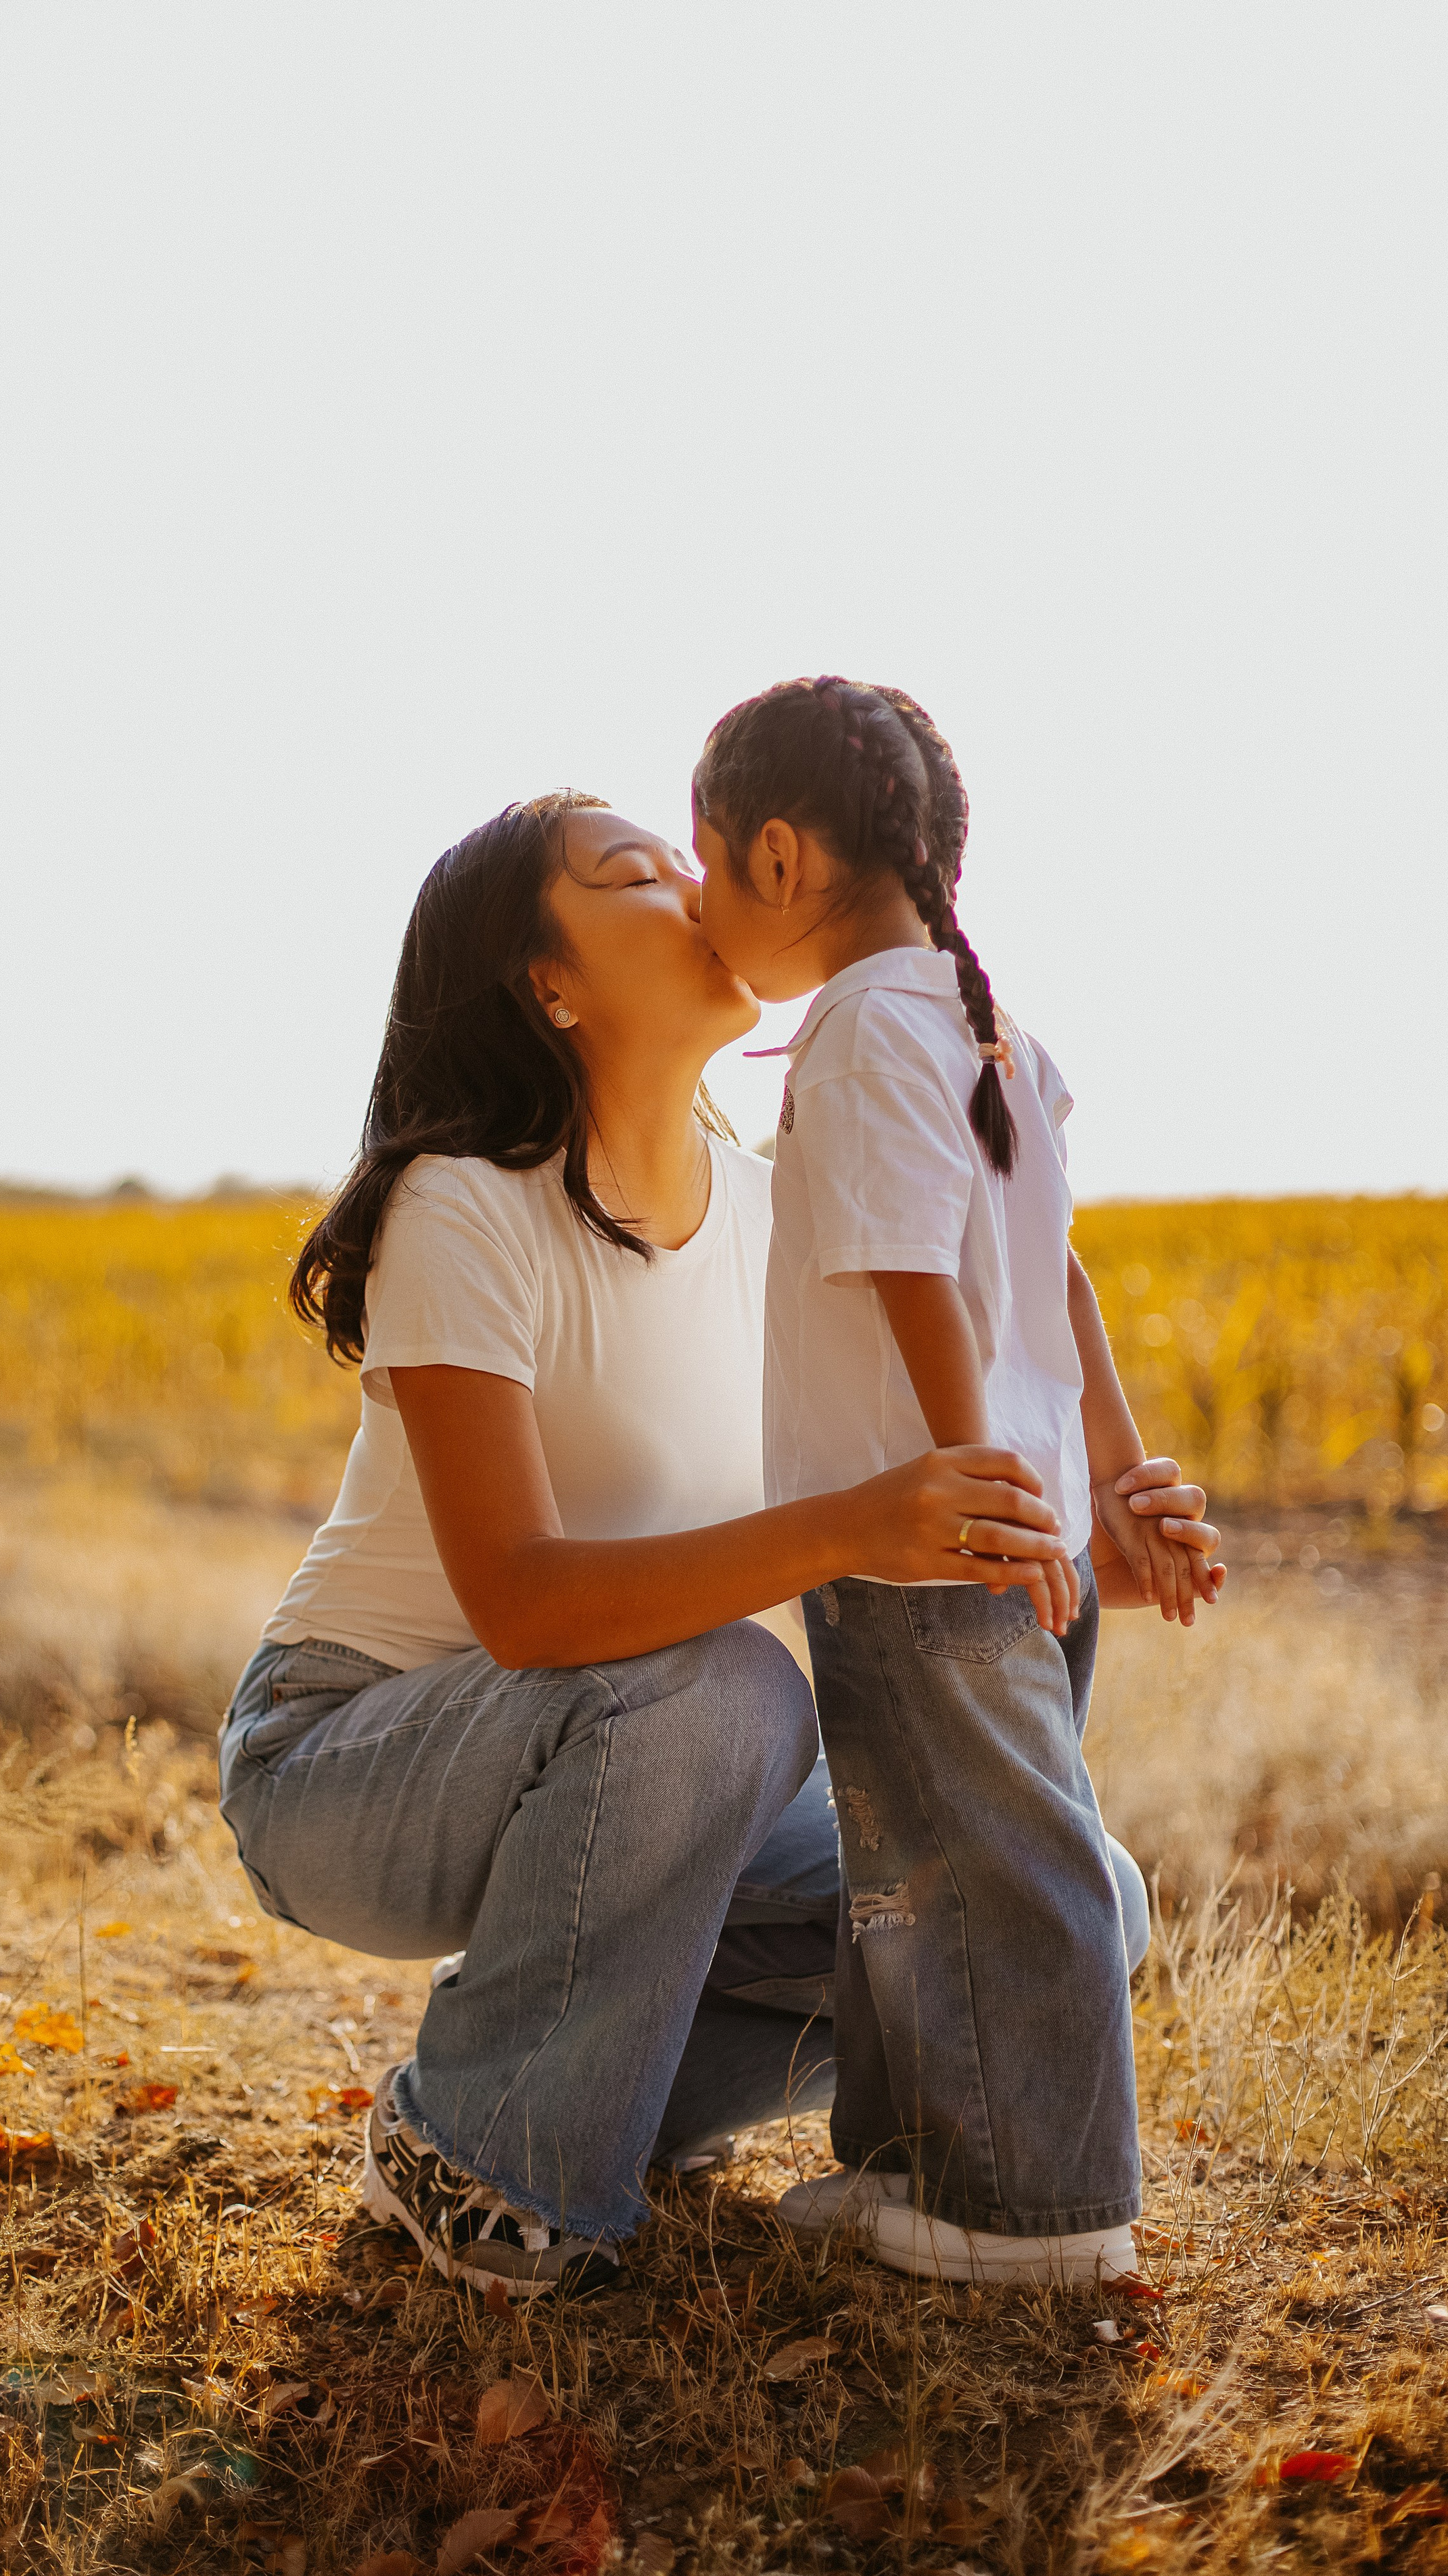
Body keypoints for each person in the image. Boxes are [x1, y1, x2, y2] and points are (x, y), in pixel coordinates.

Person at [217, 790, 1219, 2299]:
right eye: (632, 872)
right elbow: (525, 1608)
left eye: (685, 858)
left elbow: (942, 1462)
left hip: (654, 1755)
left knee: (1060, 1902)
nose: (693, 886)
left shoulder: (781, 1210)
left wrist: (1089, 1534)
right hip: (349, 1757)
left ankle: (620, 2100)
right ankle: (479, 2158)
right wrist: (854, 1521)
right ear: (547, 982)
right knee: (731, 1693)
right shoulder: (462, 1207)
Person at [691, 675, 1223, 2288]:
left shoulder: (859, 1033)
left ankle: (1037, 2212)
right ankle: (919, 2167)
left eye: (704, 863)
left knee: (986, 1870)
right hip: (1011, 1527)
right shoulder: (985, 1033)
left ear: (777, 859)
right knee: (916, 1871)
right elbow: (1056, 1273)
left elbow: (918, 1273)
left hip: (933, 1543)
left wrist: (960, 1462)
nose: (700, 903)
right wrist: (1110, 1473)